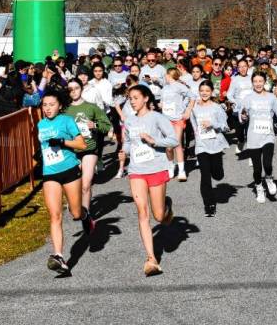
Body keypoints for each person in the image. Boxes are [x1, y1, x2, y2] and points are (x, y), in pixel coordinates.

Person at [119, 85, 178, 276]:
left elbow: (173, 140)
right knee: (142, 213)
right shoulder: (129, 121)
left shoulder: (157, 118)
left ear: (146, 98)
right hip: (136, 171)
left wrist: (154, 141)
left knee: (158, 217)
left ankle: (166, 209)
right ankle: (151, 258)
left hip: (156, 168)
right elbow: (128, 143)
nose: (132, 101)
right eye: (130, 99)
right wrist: (124, 151)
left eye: (136, 98)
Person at [37, 90, 92, 274]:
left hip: (69, 170)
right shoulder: (40, 124)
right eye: (44, 105)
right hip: (50, 173)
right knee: (55, 215)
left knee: (75, 212)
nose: (47, 108)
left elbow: (82, 145)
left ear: (60, 105)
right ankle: (59, 256)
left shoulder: (67, 120)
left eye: (51, 104)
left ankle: (85, 216)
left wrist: (62, 142)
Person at [65, 79, 111, 212]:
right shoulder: (64, 109)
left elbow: (107, 125)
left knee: (86, 184)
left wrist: (95, 125)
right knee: (74, 183)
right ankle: (74, 203)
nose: (73, 91)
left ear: (82, 89)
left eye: (76, 88)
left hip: (89, 148)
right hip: (71, 150)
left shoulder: (91, 107)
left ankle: (85, 213)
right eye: (70, 89)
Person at [239, 72, 277, 204]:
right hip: (253, 137)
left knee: (267, 164)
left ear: (265, 82)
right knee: (257, 168)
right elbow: (242, 117)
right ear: (252, 83)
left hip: (268, 135)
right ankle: (259, 187)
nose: (258, 84)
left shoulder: (271, 97)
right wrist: (244, 117)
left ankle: (269, 178)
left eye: (260, 81)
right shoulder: (247, 98)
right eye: (255, 81)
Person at [190, 80, 229, 217]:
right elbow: (193, 123)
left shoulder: (217, 107)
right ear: (199, 92)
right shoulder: (194, 108)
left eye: (207, 91)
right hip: (202, 145)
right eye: (202, 91)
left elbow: (225, 127)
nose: (204, 93)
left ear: (211, 92)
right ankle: (209, 204)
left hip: (216, 145)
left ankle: (218, 170)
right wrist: (196, 133)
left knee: (217, 175)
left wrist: (212, 123)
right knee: (205, 176)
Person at [159, 68, 194, 181]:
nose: (165, 76)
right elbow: (162, 102)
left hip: (178, 119)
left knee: (177, 143)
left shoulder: (179, 86)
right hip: (166, 120)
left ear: (170, 75)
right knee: (169, 147)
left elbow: (192, 96)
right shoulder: (164, 88)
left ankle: (182, 171)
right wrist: (161, 105)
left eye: (166, 74)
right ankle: (170, 166)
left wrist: (187, 110)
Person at [227, 58, 253, 154]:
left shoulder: (252, 78)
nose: (242, 69)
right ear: (237, 68)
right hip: (238, 110)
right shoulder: (234, 79)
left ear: (248, 67)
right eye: (240, 67)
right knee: (239, 133)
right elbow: (229, 94)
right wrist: (235, 102)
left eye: (244, 66)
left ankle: (252, 155)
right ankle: (241, 141)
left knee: (250, 132)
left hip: (250, 109)